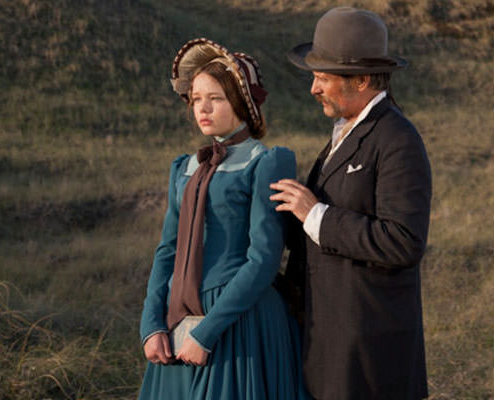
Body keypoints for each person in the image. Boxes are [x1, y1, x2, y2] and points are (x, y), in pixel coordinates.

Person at [270, 7, 432, 400]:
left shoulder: (398, 140)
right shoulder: (345, 134)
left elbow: (403, 241)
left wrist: (315, 214)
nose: (313, 88)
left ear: (362, 80)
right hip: (328, 342)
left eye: (323, 77)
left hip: (370, 355)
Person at [138, 38, 306, 400]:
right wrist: (151, 324)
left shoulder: (266, 162)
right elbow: (167, 250)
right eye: (196, 98)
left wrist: (207, 332)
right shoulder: (184, 168)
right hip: (178, 320)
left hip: (238, 319)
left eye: (215, 98)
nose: (203, 108)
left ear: (242, 101)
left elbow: (263, 259)